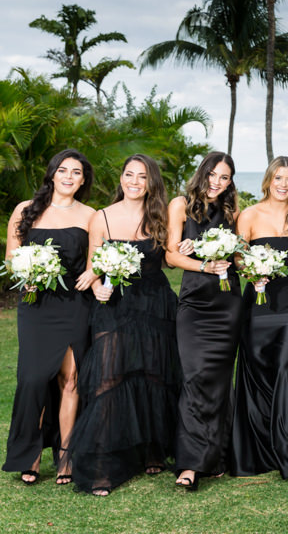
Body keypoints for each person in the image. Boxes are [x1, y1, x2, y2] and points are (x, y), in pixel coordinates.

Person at [68, 154, 181, 496]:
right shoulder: (101, 218)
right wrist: (100, 285)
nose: (134, 181)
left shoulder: (160, 216)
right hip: (115, 305)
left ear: (151, 182)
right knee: (110, 379)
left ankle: (152, 451)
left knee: (153, 375)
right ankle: (104, 465)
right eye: (128, 174)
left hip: (155, 303)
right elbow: (94, 267)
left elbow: (172, 257)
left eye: (142, 176)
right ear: (121, 178)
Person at [2, 149, 96, 485]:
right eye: (63, 170)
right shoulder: (25, 210)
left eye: (76, 172)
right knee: (33, 378)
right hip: (35, 303)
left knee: (70, 381)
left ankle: (66, 456)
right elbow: (11, 257)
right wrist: (25, 271)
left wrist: (93, 275)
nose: (69, 177)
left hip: (75, 303)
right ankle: (29, 455)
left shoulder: (91, 215)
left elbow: (94, 261)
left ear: (83, 180)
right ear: (52, 174)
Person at [230, 156, 288, 480]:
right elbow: (237, 258)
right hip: (257, 301)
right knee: (257, 372)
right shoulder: (249, 216)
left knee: (285, 369)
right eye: (278, 178)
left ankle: (285, 449)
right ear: (268, 180)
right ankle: (256, 449)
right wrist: (252, 270)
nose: (283, 184)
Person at [165, 152, 241, 491]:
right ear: (202, 173)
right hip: (195, 302)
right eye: (213, 174)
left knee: (220, 381)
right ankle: (190, 463)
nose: (217, 182)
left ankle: (216, 457)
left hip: (228, 303)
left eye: (224, 177)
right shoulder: (180, 205)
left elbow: (239, 255)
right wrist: (202, 262)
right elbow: (170, 254)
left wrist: (226, 252)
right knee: (195, 377)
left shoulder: (231, 212)